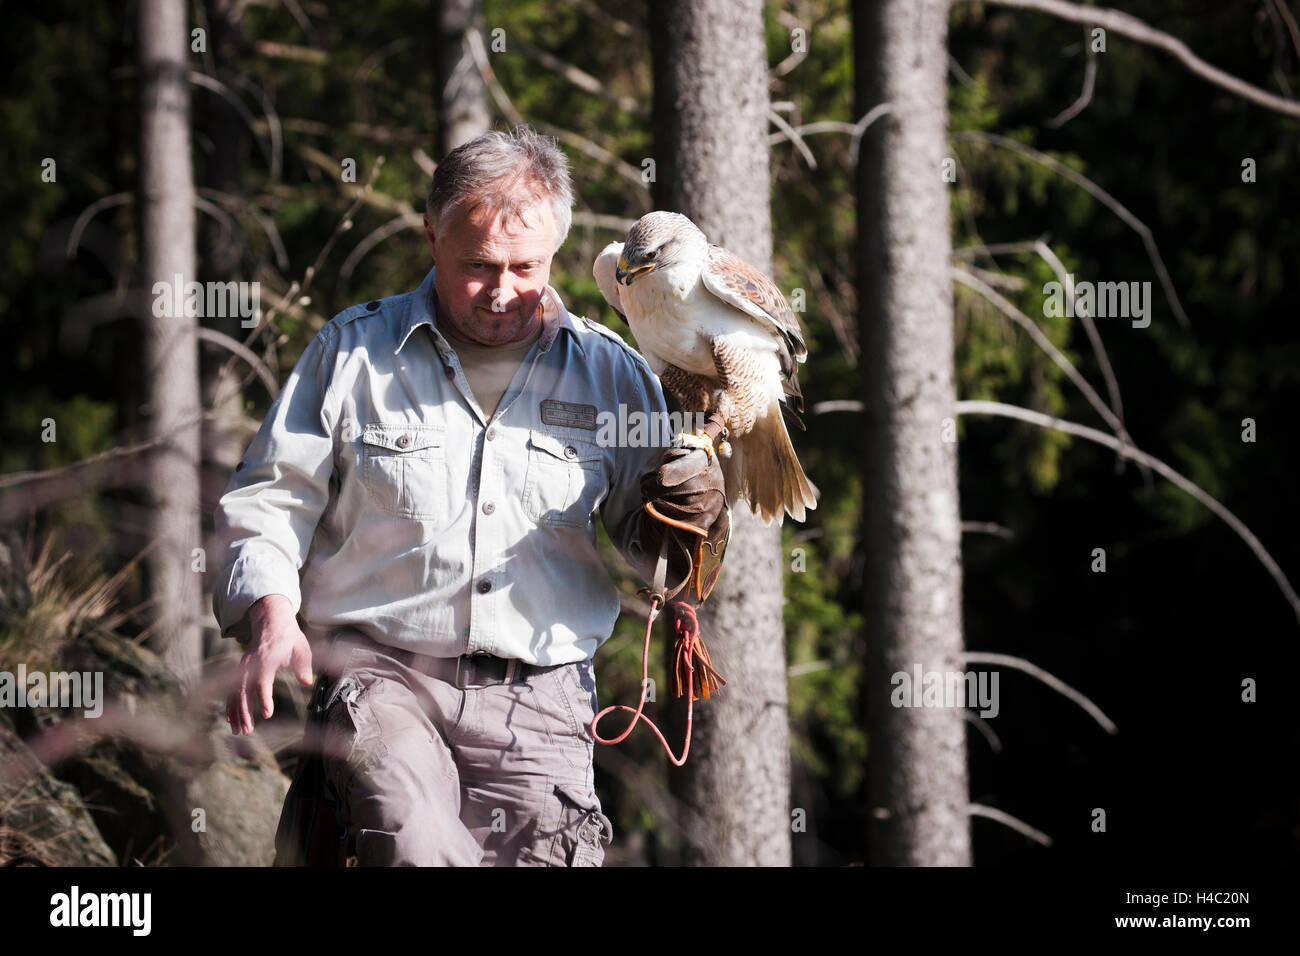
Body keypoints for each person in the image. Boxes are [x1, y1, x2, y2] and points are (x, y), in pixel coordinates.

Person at [211, 125, 728, 866]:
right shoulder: (352, 354)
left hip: (542, 702)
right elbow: (265, 502)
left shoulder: (613, 375)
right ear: (431, 235)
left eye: (527, 266)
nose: (503, 291)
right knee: (416, 848)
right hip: (381, 675)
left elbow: (665, 560)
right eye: (479, 265)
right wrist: (272, 617)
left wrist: (694, 516)